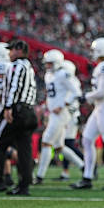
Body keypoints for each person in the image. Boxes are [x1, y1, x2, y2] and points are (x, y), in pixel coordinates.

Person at [0, 39, 39, 196]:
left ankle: (0, 181)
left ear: (19, 50)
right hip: (29, 112)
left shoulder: (16, 65)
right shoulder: (28, 66)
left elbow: (13, 87)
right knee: (24, 151)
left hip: (17, 111)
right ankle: (24, 186)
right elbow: (6, 84)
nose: (9, 53)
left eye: (12, 49)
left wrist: (8, 108)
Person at [71, 37, 104, 190]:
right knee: (87, 139)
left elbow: (102, 92)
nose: (92, 53)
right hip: (101, 107)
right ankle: (87, 177)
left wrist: (85, 97)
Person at [33, 50, 83, 184]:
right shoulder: (49, 75)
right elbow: (52, 95)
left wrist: (63, 105)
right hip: (54, 113)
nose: (47, 66)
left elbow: (76, 92)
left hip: (61, 114)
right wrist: (47, 106)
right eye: (47, 63)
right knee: (59, 147)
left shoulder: (63, 74)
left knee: (46, 142)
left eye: (50, 63)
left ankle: (40, 176)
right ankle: (83, 166)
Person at [58, 60, 86, 180]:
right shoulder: (69, 81)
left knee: (68, 144)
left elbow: (73, 102)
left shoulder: (72, 82)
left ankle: (88, 165)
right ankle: (65, 172)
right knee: (64, 145)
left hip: (71, 117)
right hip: (68, 116)